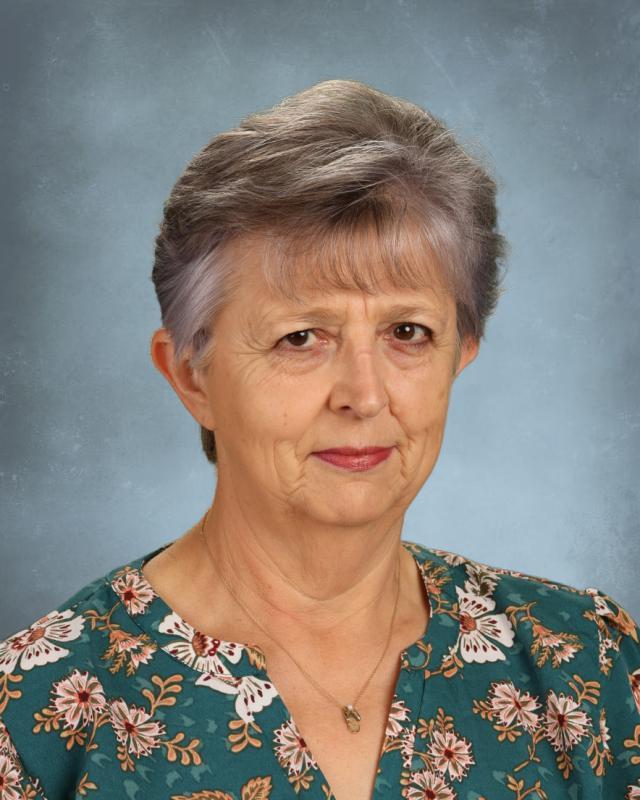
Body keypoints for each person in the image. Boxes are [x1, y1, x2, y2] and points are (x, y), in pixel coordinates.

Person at [1, 79, 638, 800]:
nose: (364, 396)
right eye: (301, 338)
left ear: (460, 355)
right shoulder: (36, 721)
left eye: (408, 333)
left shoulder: (588, 671)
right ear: (192, 377)